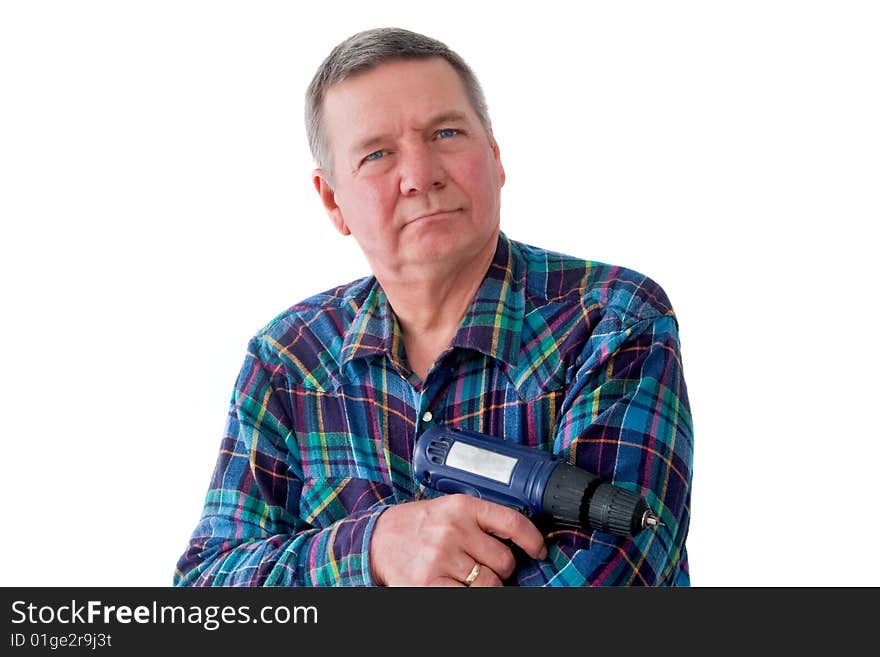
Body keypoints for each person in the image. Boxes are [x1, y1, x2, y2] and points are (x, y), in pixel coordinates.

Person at [173, 27, 693, 587]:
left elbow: (616, 576)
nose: (421, 176)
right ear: (333, 201)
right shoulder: (288, 360)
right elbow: (207, 592)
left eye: (446, 133)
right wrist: (371, 550)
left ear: (495, 158)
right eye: (377, 154)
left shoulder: (613, 322)